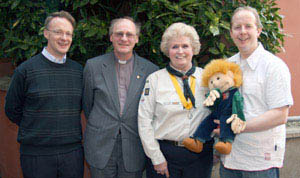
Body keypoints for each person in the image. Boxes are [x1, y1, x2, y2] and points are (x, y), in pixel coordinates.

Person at [5, 11, 84, 178]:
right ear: (46, 33)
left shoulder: (78, 71)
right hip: (36, 156)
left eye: (68, 33)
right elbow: (12, 110)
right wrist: (37, 127)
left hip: (72, 154)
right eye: (58, 32)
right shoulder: (25, 70)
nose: (64, 38)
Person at [219, 6, 294, 178]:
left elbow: (280, 115)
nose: (242, 32)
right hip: (229, 159)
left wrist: (237, 127)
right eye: (237, 27)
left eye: (248, 26)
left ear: (259, 30)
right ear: (231, 33)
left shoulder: (274, 67)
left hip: (260, 162)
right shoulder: (226, 66)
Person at [83, 17, 158, 178]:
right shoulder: (93, 66)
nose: (124, 38)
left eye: (129, 34)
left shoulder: (150, 71)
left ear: (137, 39)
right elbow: (88, 105)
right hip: (100, 146)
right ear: (111, 37)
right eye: (119, 34)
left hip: (133, 147)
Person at [138, 22, 214, 178]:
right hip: (166, 155)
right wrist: (156, 157)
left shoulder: (208, 78)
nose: (180, 51)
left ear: (193, 49)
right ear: (167, 50)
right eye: (174, 47)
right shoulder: (155, 80)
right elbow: (144, 121)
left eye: (185, 46)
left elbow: (218, 113)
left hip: (201, 155)